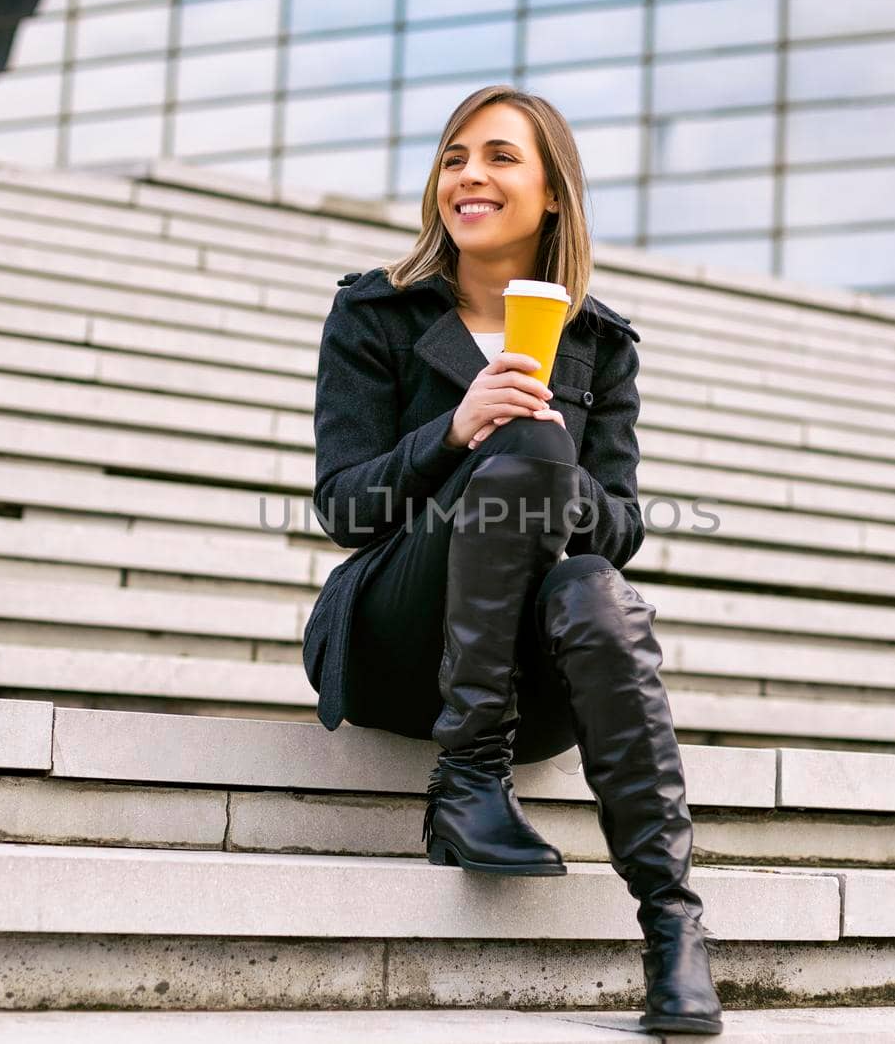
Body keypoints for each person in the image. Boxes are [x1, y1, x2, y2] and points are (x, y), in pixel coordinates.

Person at [300, 84, 722, 1036]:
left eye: (498, 157)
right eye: (454, 157)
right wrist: (454, 433)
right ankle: (467, 775)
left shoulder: (600, 344)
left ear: (553, 194)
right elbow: (344, 506)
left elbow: (618, 525)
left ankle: (671, 923)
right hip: (398, 641)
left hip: (532, 671)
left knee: (594, 587)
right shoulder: (378, 313)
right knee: (525, 453)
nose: (469, 177)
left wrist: (544, 467)